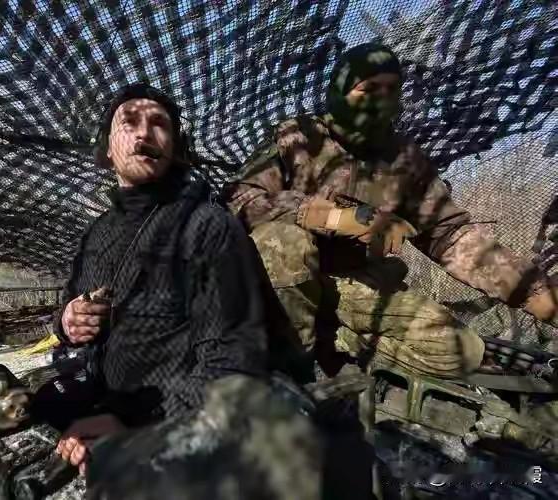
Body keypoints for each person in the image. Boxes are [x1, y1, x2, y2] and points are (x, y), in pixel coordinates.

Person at [225, 42, 558, 380]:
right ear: (340, 90)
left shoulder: (403, 159)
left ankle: (338, 341)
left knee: (463, 352)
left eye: (391, 90)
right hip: (282, 281)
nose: (380, 100)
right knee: (282, 241)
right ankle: (292, 368)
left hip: (355, 284)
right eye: (368, 89)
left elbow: (450, 236)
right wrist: (332, 217)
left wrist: (533, 292)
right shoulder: (298, 137)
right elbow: (240, 200)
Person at [51, 83, 270, 475]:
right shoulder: (98, 232)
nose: (144, 133)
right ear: (108, 148)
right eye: (129, 122)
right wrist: (68, 321)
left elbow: (232, 357)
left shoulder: (205, 226)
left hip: (173, 426)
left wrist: (142, 430)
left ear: (175, 147)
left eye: (159, 124)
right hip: (100, 406)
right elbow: (68, 305)